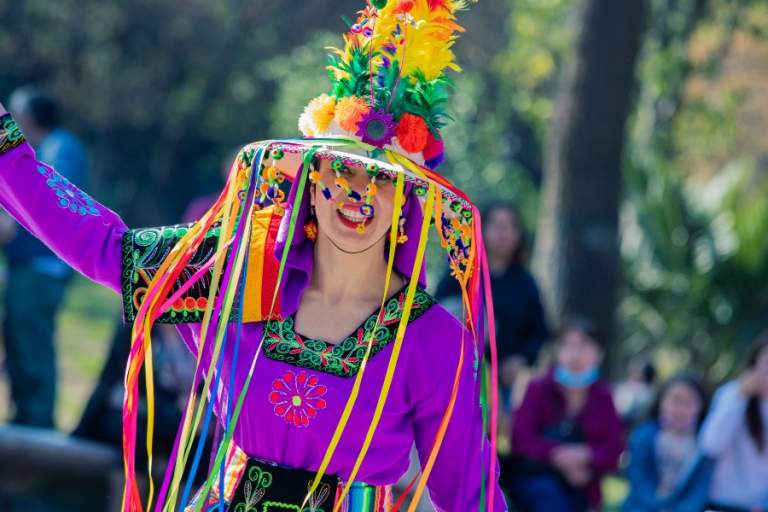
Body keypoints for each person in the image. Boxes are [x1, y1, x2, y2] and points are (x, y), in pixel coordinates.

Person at [0, 1, 506, 511]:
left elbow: (469, 495)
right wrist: (6, 151)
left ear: (405, 203)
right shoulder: (234, 279)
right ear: (311, 185)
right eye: (343, 174)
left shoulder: (435, 342)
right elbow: (104, 245)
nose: (359, 196)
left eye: (381, 181)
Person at [0, 86, 88, 428]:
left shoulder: (60, 147)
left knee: (31, 339)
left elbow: (46, 202)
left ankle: (36, 423)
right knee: (19, 338)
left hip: (43, 266)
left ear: (30, 116)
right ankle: (26, 417)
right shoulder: (52, 146)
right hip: (28, 267)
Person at [509, 317, 624, 512]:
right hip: (537, 485)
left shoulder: (604, 397)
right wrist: (557, 455)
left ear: (599, 354)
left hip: (585, 491)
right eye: (568, 345)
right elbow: (520, 441)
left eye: (584, 345)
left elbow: (614, 451)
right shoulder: (537, 389)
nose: (575, 354)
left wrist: (585, 456)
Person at [622, 375, 713, 512]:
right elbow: (639, 485)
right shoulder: (643, 436)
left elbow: (698, 494)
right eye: (675, 399)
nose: (681, 408)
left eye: (689, 402)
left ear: (701, 406)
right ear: (661, 401)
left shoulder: (706, 444)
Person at [699, 332, 768, 511]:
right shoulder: (731, 395)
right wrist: (740, 397)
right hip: (720, 503)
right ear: (754, 364)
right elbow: (711, 445)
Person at [614, 356, 658, 428]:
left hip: (636, 425)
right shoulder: (621, 386)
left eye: (637, 371)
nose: (635, 373)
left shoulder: (647, 391)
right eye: (634, 370)